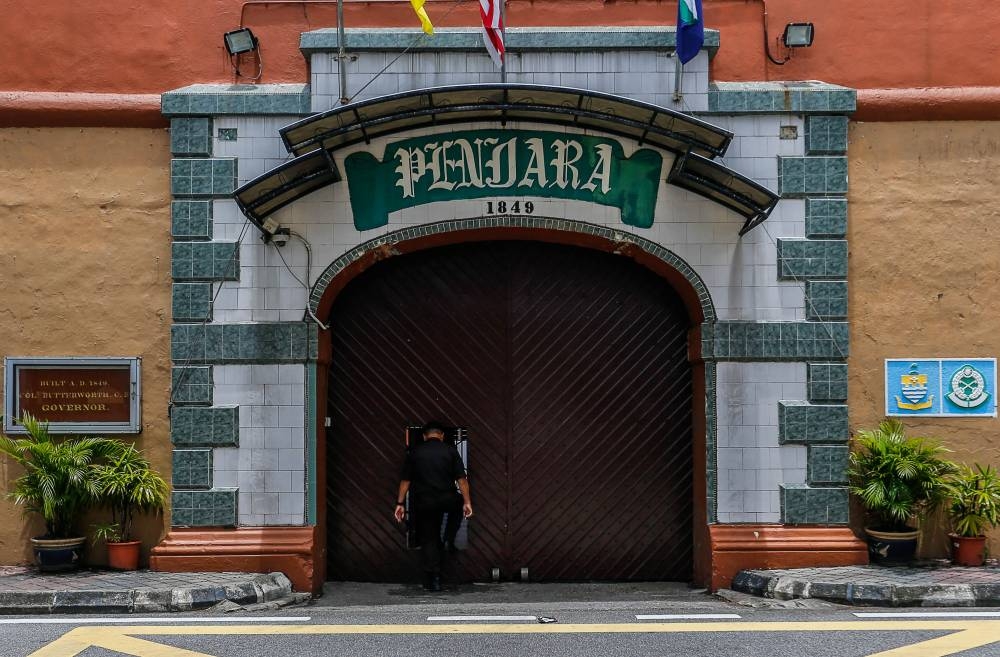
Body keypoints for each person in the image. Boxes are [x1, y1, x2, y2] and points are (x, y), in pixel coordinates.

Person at [394, 421, 473, 591]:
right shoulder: (450, 451)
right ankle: (449, 538)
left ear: (424, 436)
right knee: (458, 505)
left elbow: (405, 481)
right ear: (442, 436)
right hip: (447, 498)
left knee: (429, 537)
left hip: (424, 502)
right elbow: (462, 479)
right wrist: (467, 502)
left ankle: (434, 579)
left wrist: (400, 503)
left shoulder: (415, 453)